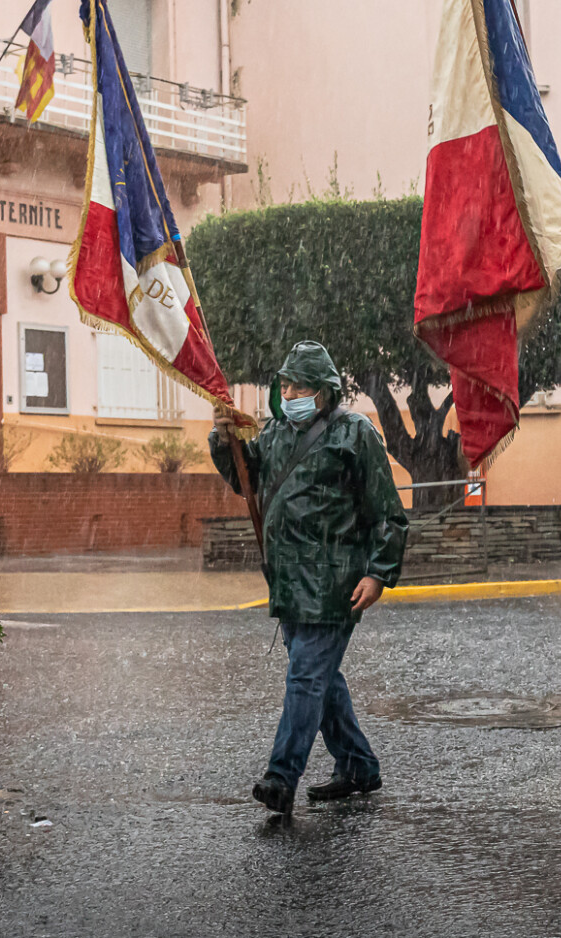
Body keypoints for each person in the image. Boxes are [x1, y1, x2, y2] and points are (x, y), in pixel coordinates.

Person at [211, 340, 408, 818]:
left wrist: (379, 574)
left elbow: (388, 514)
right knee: (321, 679)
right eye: (284, 383)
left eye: (299, 385)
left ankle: (282, 776)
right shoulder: (277, 433)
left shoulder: (355, 433)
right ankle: (359, 766)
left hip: (335, 584)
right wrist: (224, 441)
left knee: (305, 678)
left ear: (323, 391)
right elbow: (247, 480)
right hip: (289, 583)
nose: (289, 392)